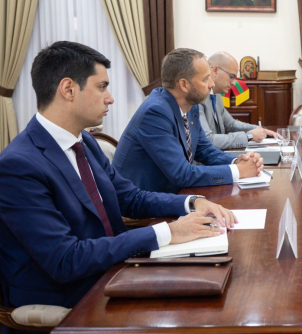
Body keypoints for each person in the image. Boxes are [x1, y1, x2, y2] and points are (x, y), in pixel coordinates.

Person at [0, 41, 237, 310]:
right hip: (75, 296)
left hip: (115, 270)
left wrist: (192, 202)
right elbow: (66, 260)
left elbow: (131, 198)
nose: (110, 98)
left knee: (220, 278)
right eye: (102, 87)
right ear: (68, 89)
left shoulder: (84, 142)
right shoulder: (18, 166)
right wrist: (167, 232)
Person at [113, 48, 263, 194]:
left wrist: (237, 161)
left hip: (171, 194)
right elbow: (182, 174)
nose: (211, 84)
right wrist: (238, 171)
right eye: (205, 79)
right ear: (184, 84)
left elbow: (204, 150)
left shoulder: (191, 106)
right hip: (143, 202)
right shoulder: (155, 113)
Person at [199, 52, 278, 150]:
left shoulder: (217, 95)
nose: (234, 83)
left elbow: (231, 124)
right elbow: (209, 140)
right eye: (231, 77)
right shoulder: (198, 98)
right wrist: (249, 136)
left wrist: (259, 129)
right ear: (215, 70)